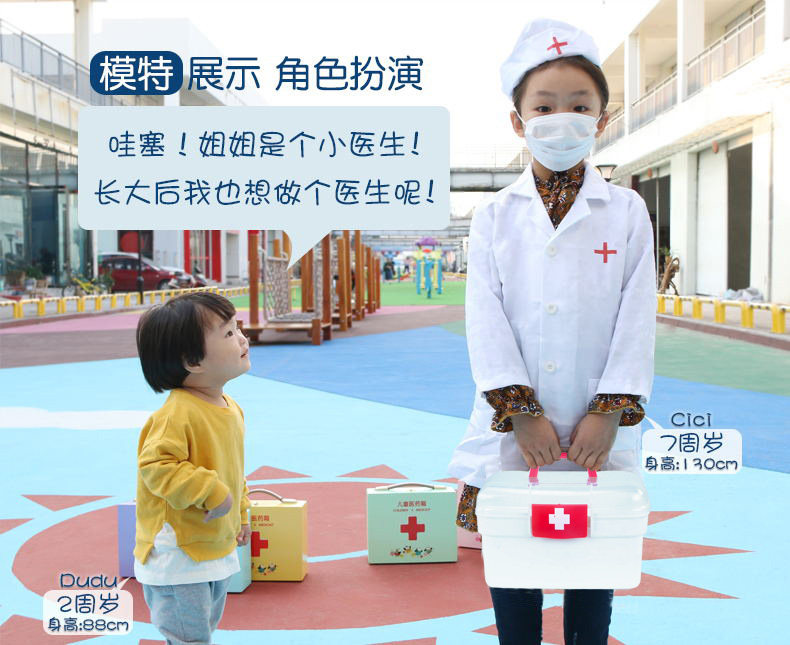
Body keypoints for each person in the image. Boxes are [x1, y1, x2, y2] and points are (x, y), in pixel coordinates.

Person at [447, 17, 656, 645]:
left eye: (579, 105)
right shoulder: (494, 216)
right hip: (515, 425)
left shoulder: (627, 211)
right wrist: (520, 411)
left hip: (598, 423)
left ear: (601, 119)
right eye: (543, 106)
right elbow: (485, 319)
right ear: (518, 121)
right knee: (514, 554)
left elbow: (637, 316)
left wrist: (610, 411)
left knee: (595, 554)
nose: (561, 118)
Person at [133, 292, 253, 645]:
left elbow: (233, 469)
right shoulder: (177, 414)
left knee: (202, 629)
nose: (242, 338)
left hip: (212, 544)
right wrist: (211, 491)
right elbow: (156, 466)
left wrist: (241, 513)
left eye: (238, 328)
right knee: (189, 636)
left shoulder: (229, 406)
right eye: (228, 333)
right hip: (178, 554)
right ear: (192, 360)